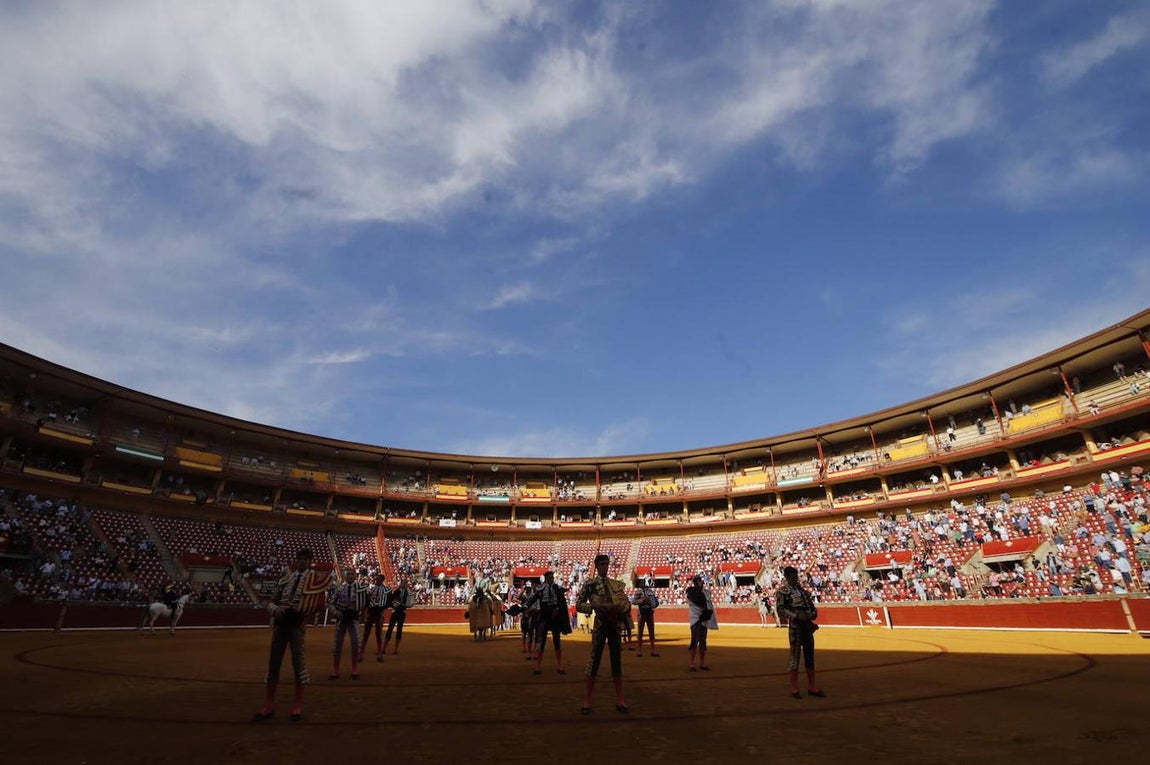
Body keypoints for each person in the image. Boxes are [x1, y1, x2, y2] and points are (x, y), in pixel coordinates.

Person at [253, 548, 333, 722]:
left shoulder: (314, 580)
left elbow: (317, 604)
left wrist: (302, 612)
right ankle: (269, 705)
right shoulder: (286, 578)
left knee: (298, 665)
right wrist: (276, 609)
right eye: (299, 558)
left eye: (305, 559)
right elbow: (272, 600)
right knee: (273, 665)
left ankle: (297, 706)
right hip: (281, 625)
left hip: (296, 626)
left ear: (310, 561)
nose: (301, 561)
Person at [575, 553, 630, 714]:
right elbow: (578, 605)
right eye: (602, 564)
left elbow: (626, 603)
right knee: (594, 660)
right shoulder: (590, 585)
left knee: (616, 661)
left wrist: (618, 608)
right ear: (596, 566)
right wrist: (593, 608)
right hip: (600, 624)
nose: (605, 567)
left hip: (614, 625)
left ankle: (620, 699)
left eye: (607, 564)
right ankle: (587, 700)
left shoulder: (616, 585)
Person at [775, 566, 824, 699]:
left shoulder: (803, 591)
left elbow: (812, 608)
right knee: (794, 657)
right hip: (795, 628)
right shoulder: (783, 592)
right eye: (792, 577)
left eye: (795, 576)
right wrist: (796, 616)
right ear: (787, 577)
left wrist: (810, 616)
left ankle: (812, 687)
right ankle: (795, 688)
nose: (795, 579)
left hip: (807, 628)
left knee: (809, 656)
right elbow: (781, 609)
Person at [526, 571, 570, 674]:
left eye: (552, 578)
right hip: (545, 617)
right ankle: (537, 666)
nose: (551, 580)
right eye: (549, 578)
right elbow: (533, 599)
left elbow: (562, 603)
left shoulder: (557, 589)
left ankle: (560, 665)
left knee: (557, 641)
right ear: (545, 579)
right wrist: (525, 606)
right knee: (541, 642)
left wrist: (558, 610)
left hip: (555, 618)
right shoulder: (541, 589)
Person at [327, 568, 368, 680]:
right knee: (337, 644)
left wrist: (361, 614)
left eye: (352, 574)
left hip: (353, 618)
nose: (350, 576)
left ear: (355, 576)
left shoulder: (361, 589)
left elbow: (365, 603)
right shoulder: (340, 588)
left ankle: (355, 668)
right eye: (348, 574)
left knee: (355, 643)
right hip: (342, 618)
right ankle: (336, 670)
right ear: (344, 576)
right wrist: (336, 613)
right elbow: (330, 604)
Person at [685, 575, 718, 671]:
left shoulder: (704, 592)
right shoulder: (691, 592)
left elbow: (707, 603)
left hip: (703, 618)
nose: (702, 583)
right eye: (700, 581)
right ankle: (691, 662)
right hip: (696, 619)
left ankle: (702, 662)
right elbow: (699, 601)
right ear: (697, 582)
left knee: (703, 641)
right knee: (695, 641)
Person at [359, 574, 391, 663]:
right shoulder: (373, 589)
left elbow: (387, 603)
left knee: (378, 634)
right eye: (377, 579)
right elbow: (366, 600)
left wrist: (382, 610)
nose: (377, 581)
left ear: (382, 580)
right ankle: (361, 653)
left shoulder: (385, 590)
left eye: (379, 579)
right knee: (366, 633)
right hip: (371, 613)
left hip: (379, 614)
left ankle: (379, 654)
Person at [382, 577, 414, 655]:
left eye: (404, 583)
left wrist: (403, 605)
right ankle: (384, 648)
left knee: (399, 630)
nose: (403, 584)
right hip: (395, 611)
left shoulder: (409, 592)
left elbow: (410, 604)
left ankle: (395, 649)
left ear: (406, 584)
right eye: (402, 583)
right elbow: (390, 600)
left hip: (402, 612)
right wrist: (394, 605)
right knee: (390, 629)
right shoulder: (396, 591)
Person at [632, 580, 660, 656]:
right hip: (641, 613)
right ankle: (640, 651)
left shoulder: (650, 591)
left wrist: (652, 604)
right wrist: (642, 600)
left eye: (644, 583)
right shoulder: (638, 592)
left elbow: (656, 602)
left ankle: (653, 650)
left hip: (649, 612)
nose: (643, 584)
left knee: (651, 631)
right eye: (642, 583)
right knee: (640, 632)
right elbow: (633, 601)